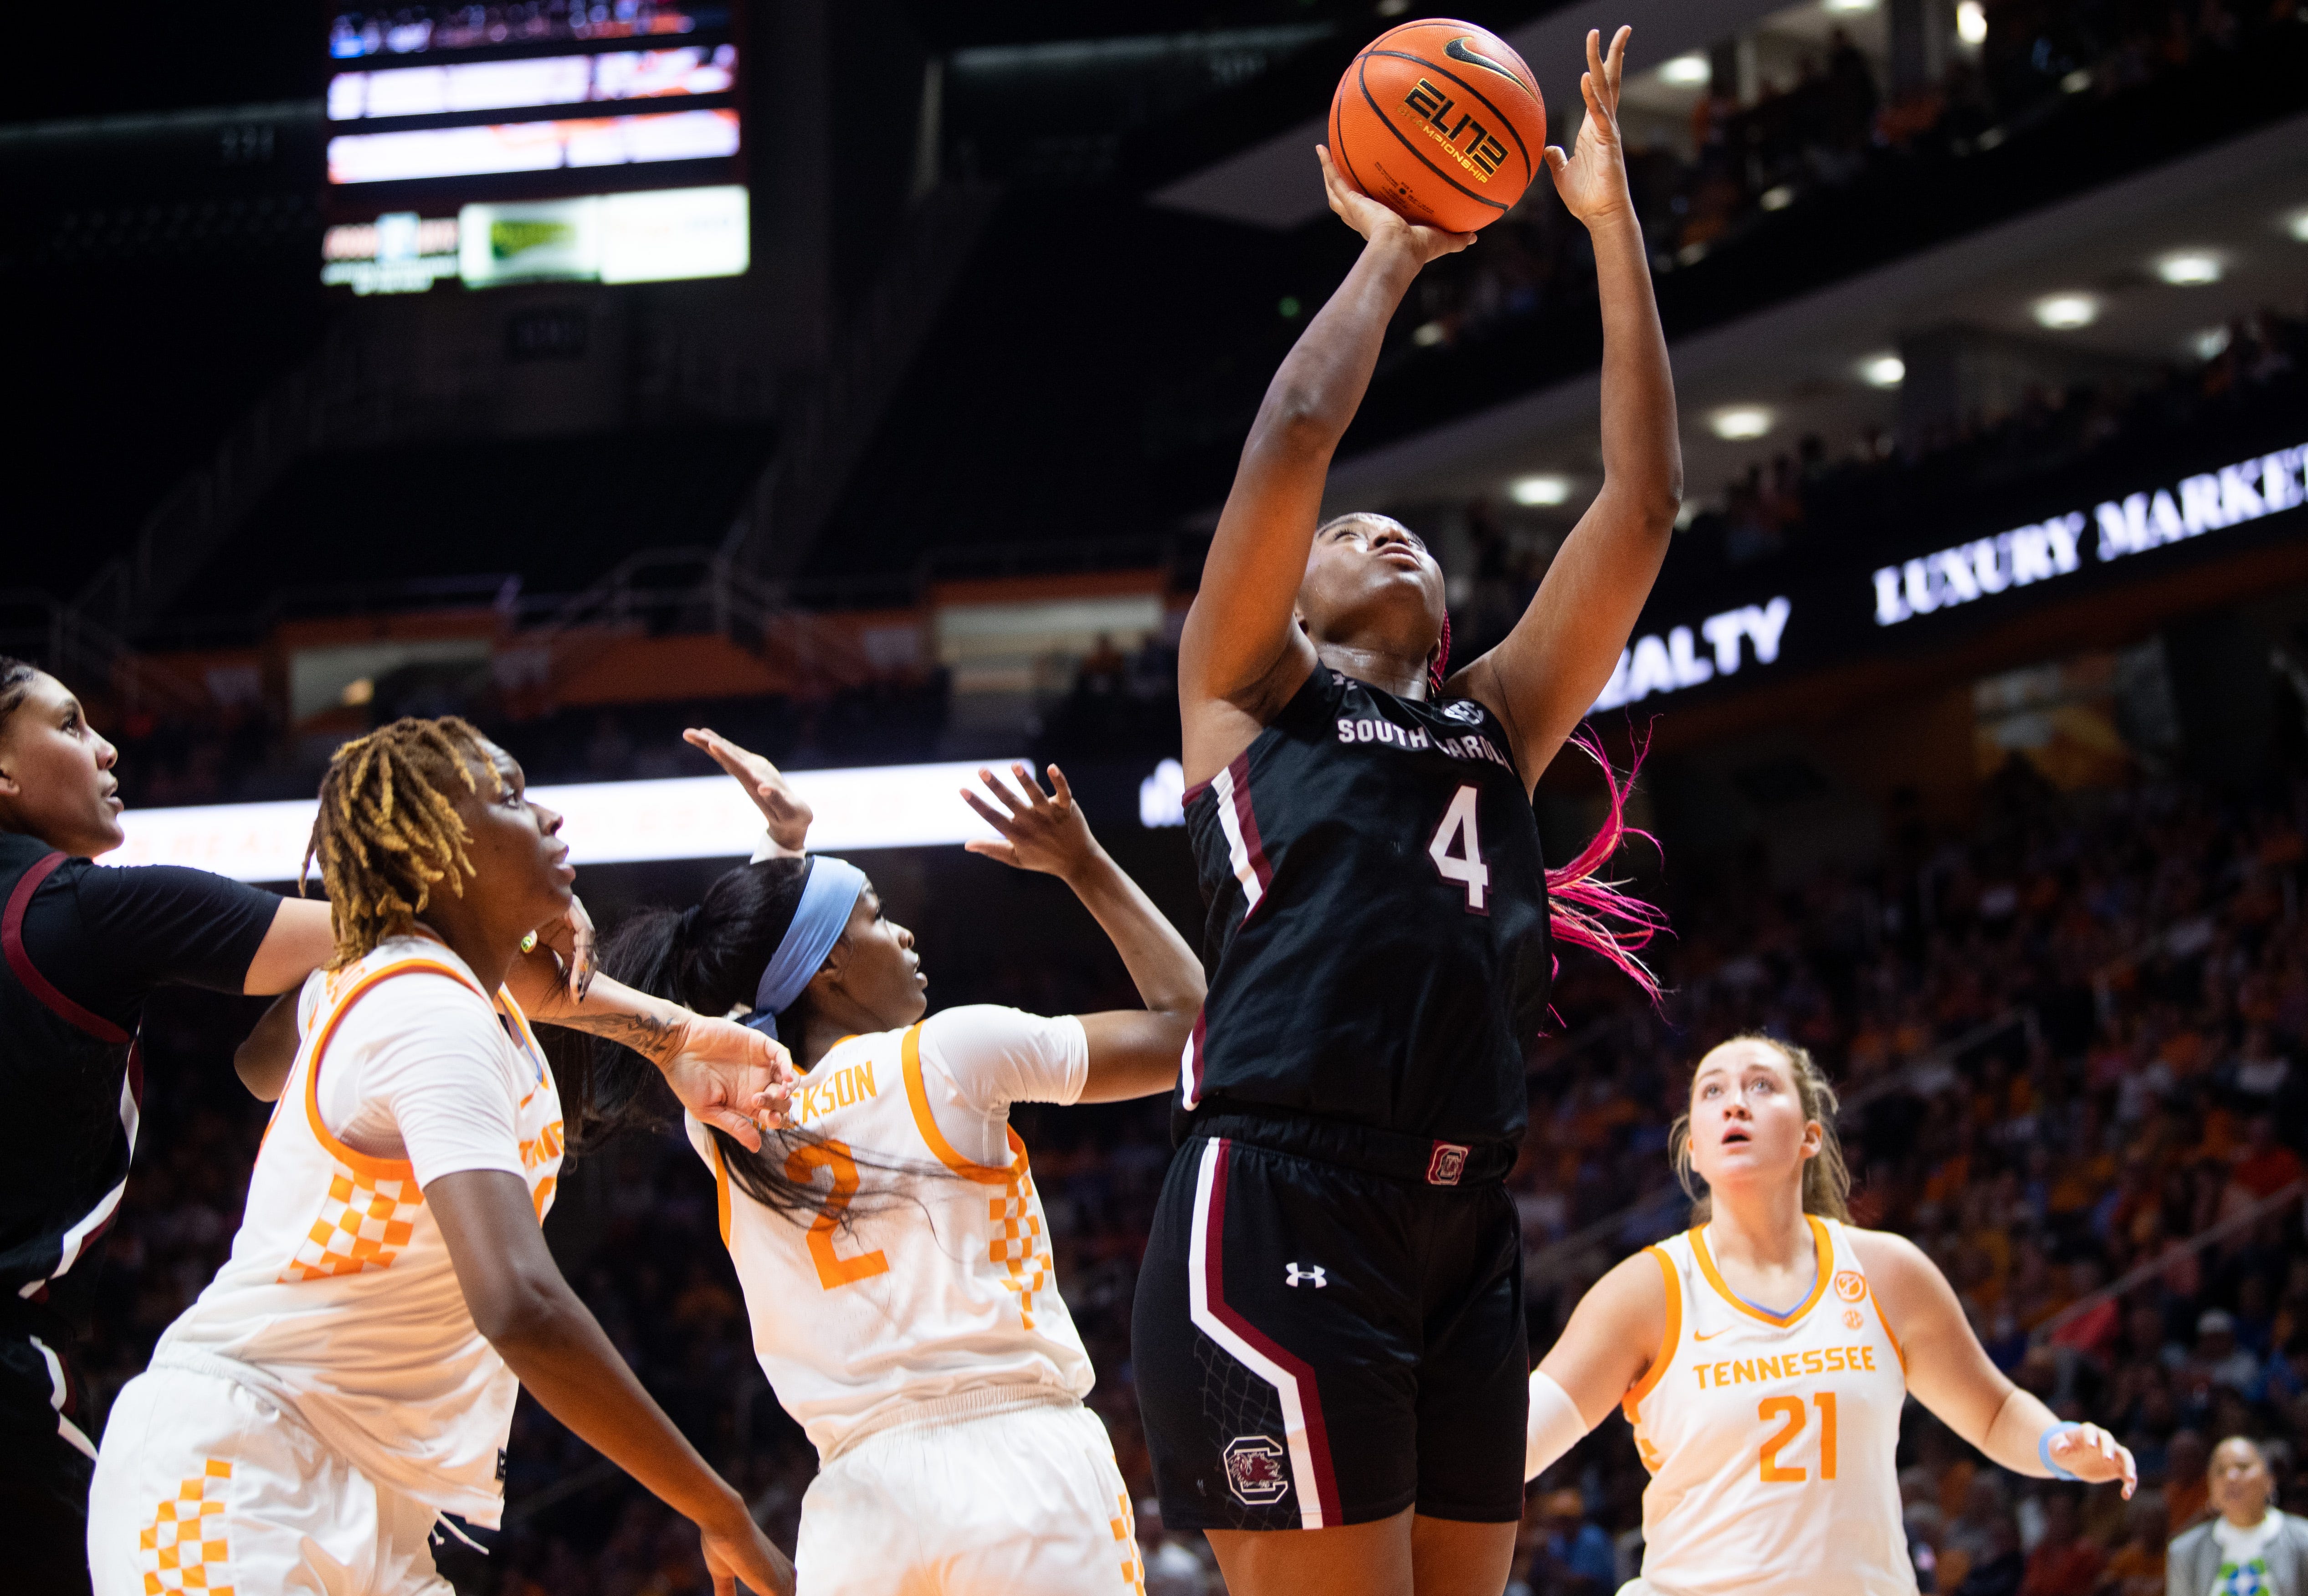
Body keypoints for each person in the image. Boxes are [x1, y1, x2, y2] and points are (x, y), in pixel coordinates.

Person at [1137, 27, 1682, 1596]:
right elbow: (1300, 435)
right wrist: (1391, 249)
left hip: (1465, 1222)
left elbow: (1639, 505)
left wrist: (1608, 225)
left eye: (1402, 529)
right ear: (1289, 589)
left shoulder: (1495, 722)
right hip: (1282, 1184)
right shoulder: (1249, 690)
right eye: (1346, 530)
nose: (1372, 524)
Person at [0, 660, 789, 1590]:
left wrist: (673, 1032)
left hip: (383, 1494)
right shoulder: (418, 1001)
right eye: (508, 796)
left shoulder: (400, 986)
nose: (548, 816)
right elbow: (522, 1307)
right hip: (240, 1464)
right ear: (435, 849)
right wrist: (719, 1507)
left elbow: (261, 1061)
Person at [589, 730, 1205, 1595]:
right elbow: (1189, 1027)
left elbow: (739, 986)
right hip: (1018, 1466)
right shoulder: (948, 1054)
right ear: (827, 967)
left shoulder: (726, 1123)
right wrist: (1085, 865)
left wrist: (782, 851)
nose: (906, 931)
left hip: (856, 1510)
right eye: (876, 913)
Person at [1524, 1035, 2135, 1596]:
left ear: (1810, 1135)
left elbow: (1995, 1410)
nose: (1734, 1103)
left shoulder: (1887, 1271)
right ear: (1693, 1149)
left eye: (1761, 1085)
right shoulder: (1645, 1289)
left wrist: (2057, 1443)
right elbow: (1514, 1438)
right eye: (1712, 1090)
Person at [2166, 1435, 2308, 1596]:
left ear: (2270, 1481)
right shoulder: (2184, 1551)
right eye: (2220, 1471)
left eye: (2243, 1466)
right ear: (2211, 1489)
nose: (2231, 1477)